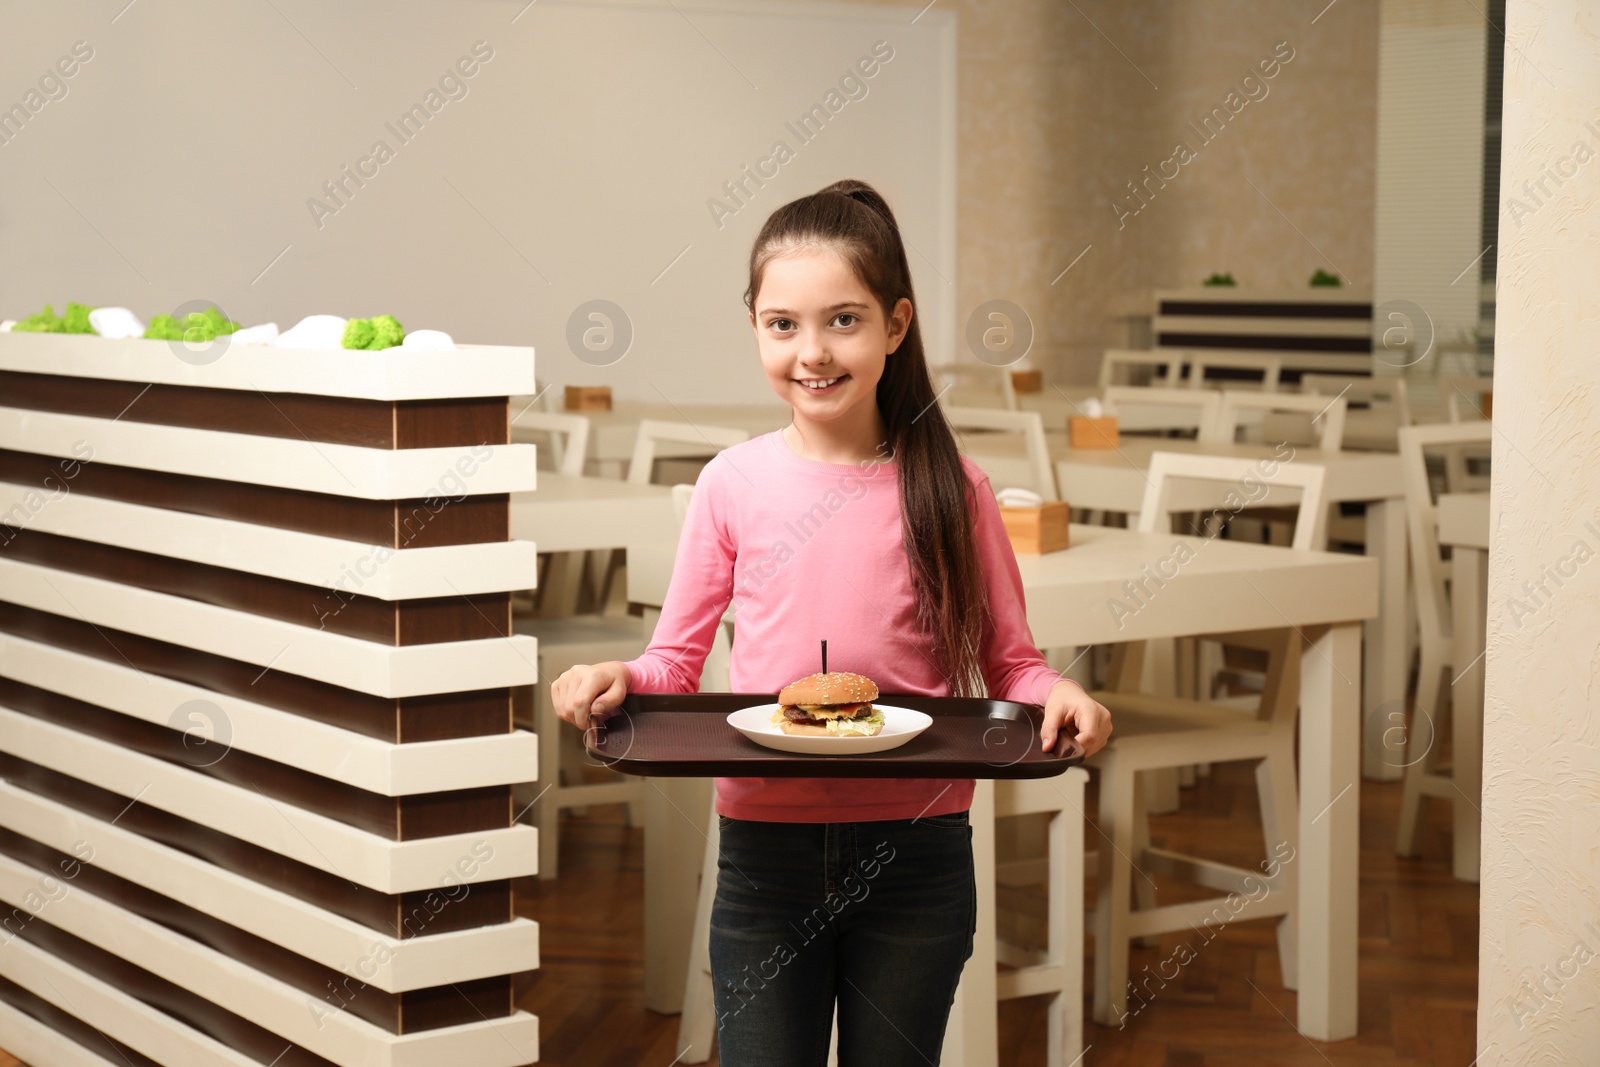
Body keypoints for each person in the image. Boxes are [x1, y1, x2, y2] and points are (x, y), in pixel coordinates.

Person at [552, 178, 1111, 1065]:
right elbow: (673, 660)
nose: (811, 351)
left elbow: (1011, 666)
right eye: (783, 325)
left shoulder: (953, 487)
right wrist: (623, 679)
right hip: (767, 854)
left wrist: (1061, 692)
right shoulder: (731, 484)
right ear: (756, 329)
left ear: (896, 326)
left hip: (918, 854)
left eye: (843, 320)